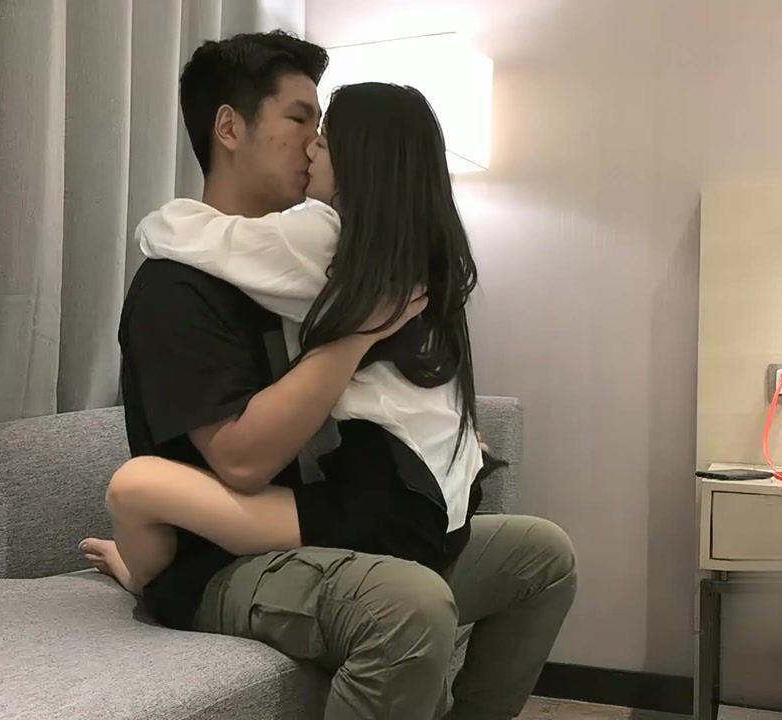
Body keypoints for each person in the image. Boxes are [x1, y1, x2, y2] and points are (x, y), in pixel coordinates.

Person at [80, 31, 577, 720]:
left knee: (543, 556)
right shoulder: (179, 287)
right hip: (223, 563)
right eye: (299, 118)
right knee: (410, 606)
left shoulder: (318, 263)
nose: (314, 143)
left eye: (323, 127)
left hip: (334, 521)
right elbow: (242, 460)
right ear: (230, 128)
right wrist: (356, 337)